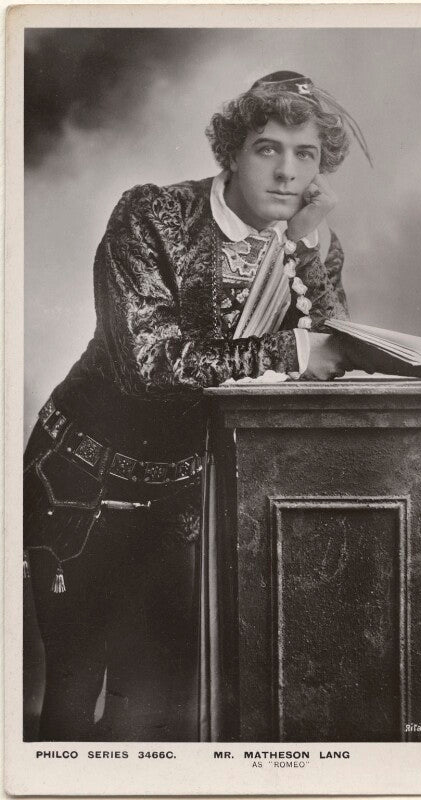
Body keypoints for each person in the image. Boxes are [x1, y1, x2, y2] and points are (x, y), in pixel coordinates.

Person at [23, 70, 371, 742]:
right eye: (268, 148)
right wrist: (292, 351)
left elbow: (334, 349)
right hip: (83, 481)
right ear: (232, 152)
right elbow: (151, 365)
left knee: (151, 697)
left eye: (305, 155)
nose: (287, 172)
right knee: (75, 680)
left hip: (185, 493)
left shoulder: (307, 242)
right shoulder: (152, 215)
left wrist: (306, 246)